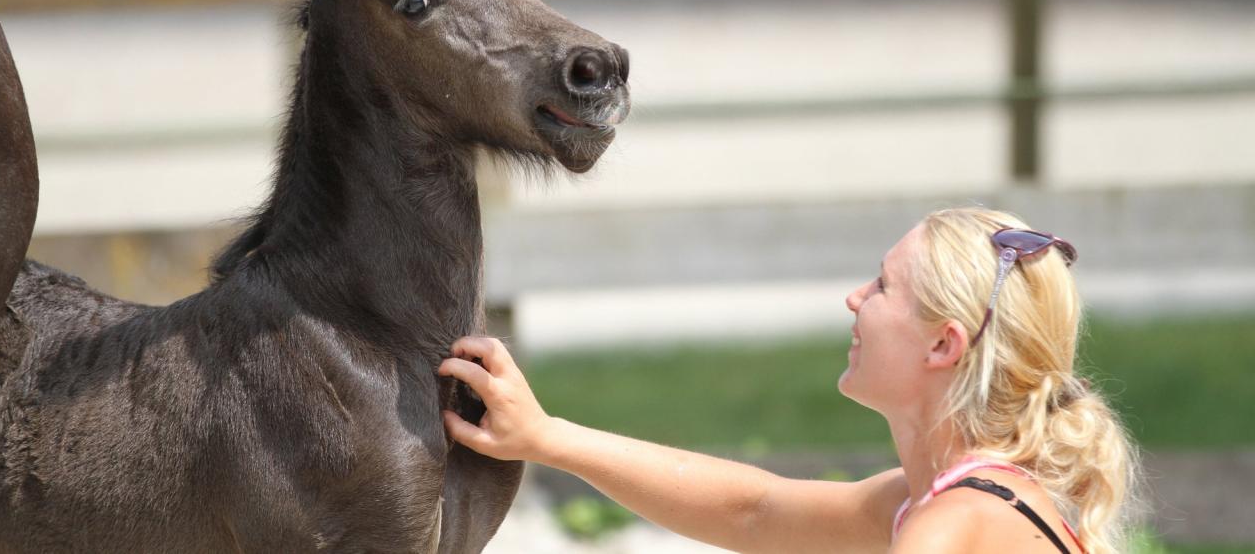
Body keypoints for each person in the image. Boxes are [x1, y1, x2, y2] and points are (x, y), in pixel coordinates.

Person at [439, 207, 1140, 553]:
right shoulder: (949, 499)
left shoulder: (951, 525)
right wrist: (546, 436)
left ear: (943, 343)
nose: (855, 297)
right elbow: (755, 510)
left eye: (883, 286)